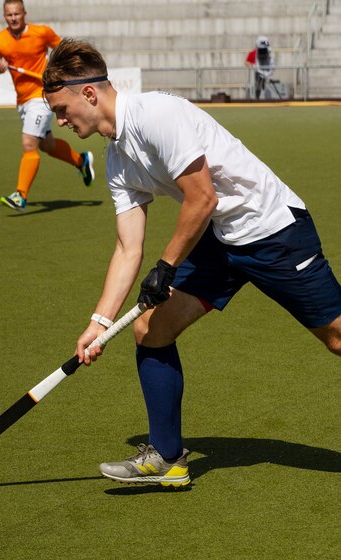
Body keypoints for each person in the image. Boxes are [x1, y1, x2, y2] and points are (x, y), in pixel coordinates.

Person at [43, 38, 341, 488]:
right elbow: (128, 247)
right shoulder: (116, 158)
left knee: (337, 338)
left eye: (62, 109)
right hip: (219, 239)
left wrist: (165, 266)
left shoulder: (156, 116)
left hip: (272, 229)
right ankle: (166, 457)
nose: (60, 121)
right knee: (150, 329)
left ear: (89, 93)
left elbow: (203, 197)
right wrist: (99, 321)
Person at [0, 0, 94, 211]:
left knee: (29, 143)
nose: (14, 18)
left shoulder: (41, 33)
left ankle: (20, 195)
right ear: (4, 17)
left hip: (43, 95)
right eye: (10, 15)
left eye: (17, 13)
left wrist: (61, 73)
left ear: (24, 13)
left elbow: (63, 50)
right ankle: (81, 162)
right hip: (23, 100)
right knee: (47, 145)